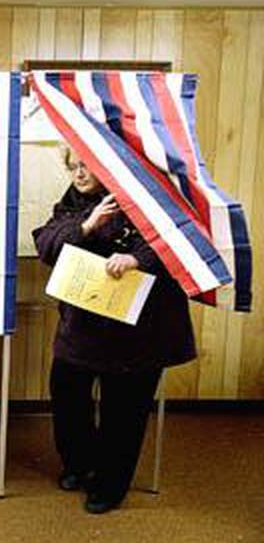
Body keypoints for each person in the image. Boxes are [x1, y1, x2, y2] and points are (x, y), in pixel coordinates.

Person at [32, 146, 196, 514]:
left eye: (86, 165)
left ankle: (109, 484)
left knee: (124, 410)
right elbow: (47, 244)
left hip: (138, 329)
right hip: (86, 323)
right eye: (73, 166)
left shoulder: (145, 195)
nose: (79, 173)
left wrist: (137, 258)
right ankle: (79, 464)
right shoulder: (73, 202)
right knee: (66, 391)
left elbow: (176, 239)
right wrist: (87, 225)